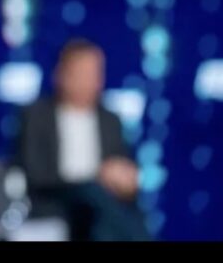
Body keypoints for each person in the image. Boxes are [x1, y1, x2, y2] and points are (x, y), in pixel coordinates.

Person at [15, 39, 150, 241]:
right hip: (57, 197)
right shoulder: (36, 116)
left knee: (117, 210)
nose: (91, 81)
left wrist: (126, 179)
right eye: (82, 73)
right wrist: (95, 176)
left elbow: (121, 163)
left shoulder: (110, 120)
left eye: (95, 73)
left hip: (102, 201)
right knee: (94, 196)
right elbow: (34, 173)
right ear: (61, 74)